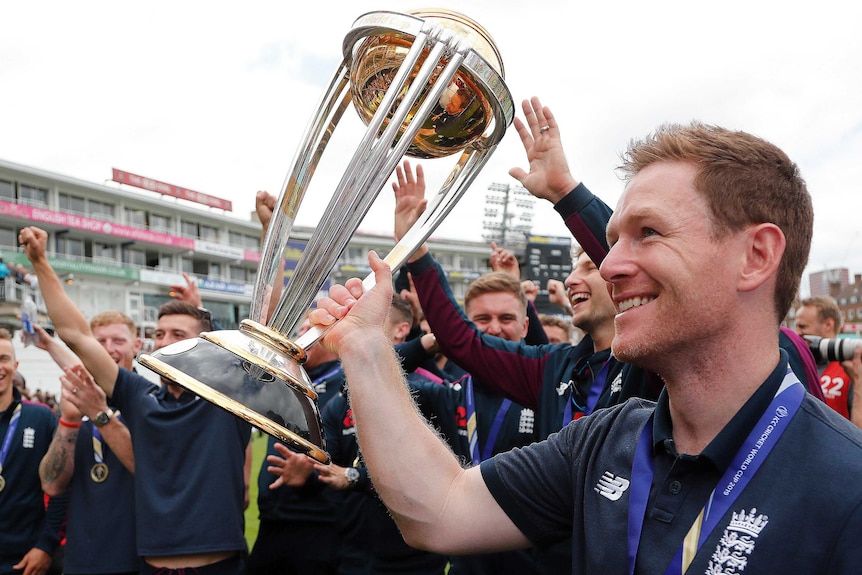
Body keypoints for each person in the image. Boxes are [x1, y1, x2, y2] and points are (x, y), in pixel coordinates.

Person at [308, 104, 862, 573]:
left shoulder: (846, 486)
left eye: (648, 232)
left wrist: (568, 192)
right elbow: (439, 509)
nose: (611, 263)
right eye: (613, 239)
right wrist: (364, 348)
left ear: (756, 256)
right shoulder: (604, 440)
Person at [21, 225, 252, 575]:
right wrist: (40, 262)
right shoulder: (140, 397)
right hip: (151, 566)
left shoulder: (224, 397)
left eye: (178, 334)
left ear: (204, 344)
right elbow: (77, 336)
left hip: (217, 564)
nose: (164, 341)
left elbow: (268, 327)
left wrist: (269, 230)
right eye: (159, 333)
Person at [36, 314, 140, 575]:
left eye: (118, 340)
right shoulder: (75, 404)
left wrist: (99, 414)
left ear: (136, 345)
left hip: (141, 558)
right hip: (82, 560)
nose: (108, 349)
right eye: (99, 342)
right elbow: (52, 484)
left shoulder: (151, 401)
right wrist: (69, 421)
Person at [244, 314, 345, 575]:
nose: (300, 337)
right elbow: (240, 360)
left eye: (310, 331)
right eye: (299, 331)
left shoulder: (347, 381)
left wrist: (311, 476)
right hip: (271, 519)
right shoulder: (282, 379)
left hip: (319, 523)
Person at [0, 328, 61, 575]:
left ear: (15, 365)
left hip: (26, 560)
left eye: (3, 359)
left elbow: (62, 488)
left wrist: (45, 546)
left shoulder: (41, 417)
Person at [794, 296, 862, 427]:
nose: (797, 333)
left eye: (802, 327)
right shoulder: (795, 365)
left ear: (828, 325)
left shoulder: (852, 369)